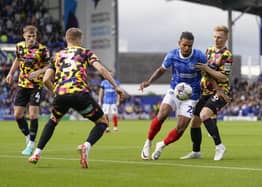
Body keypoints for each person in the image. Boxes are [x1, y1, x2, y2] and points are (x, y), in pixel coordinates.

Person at [28, 27, 125, 168]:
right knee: (102, 122)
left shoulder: (57, 55)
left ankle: (36, 153)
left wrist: (56, 91)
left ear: (67, 39)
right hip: (80, 94)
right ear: (79, 39)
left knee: (52, 121)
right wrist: (116, 87)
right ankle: (86, 146)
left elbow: (45, 79)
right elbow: (101, 69)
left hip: (61, 95)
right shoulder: (85, 52)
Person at [140, 31, 207, 160]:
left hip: (192, 96)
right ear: (179, 43)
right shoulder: (172, 55)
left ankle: (161, 145)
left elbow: (206, 73)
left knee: (181, 128)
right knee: (162, 114)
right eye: (184, 45)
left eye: (190, 46)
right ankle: (148, 142)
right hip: (174, 91)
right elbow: (161, 70)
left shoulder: (199, 56)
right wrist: (149, 82)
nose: (187, 48)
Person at [180, 25, 233, 161]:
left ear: (226, 38)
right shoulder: (208, 51)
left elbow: (223, 77)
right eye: (215, 37)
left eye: (219, 37)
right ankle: (196, 151)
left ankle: (220, 146)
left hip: (222, 92)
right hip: (207, 90)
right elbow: (205, 71)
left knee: (204, 114)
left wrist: (207, 69)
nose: (216, 40)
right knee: (195, 121)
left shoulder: (227, 55)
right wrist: (205, 70)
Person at [5, 25, 50, 156]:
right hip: (22, 84)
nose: (31, 39)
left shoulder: (42, 49)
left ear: (36, 36)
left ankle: (31, 144)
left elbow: (49, 65)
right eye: (29, 36)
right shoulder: (19, 46)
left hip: (36, 85)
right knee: (18, 115)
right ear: (24, 36)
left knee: (33, 115)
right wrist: (10, 73)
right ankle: (28, 135)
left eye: (34, 36)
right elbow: (18, 60)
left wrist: (39, 72)